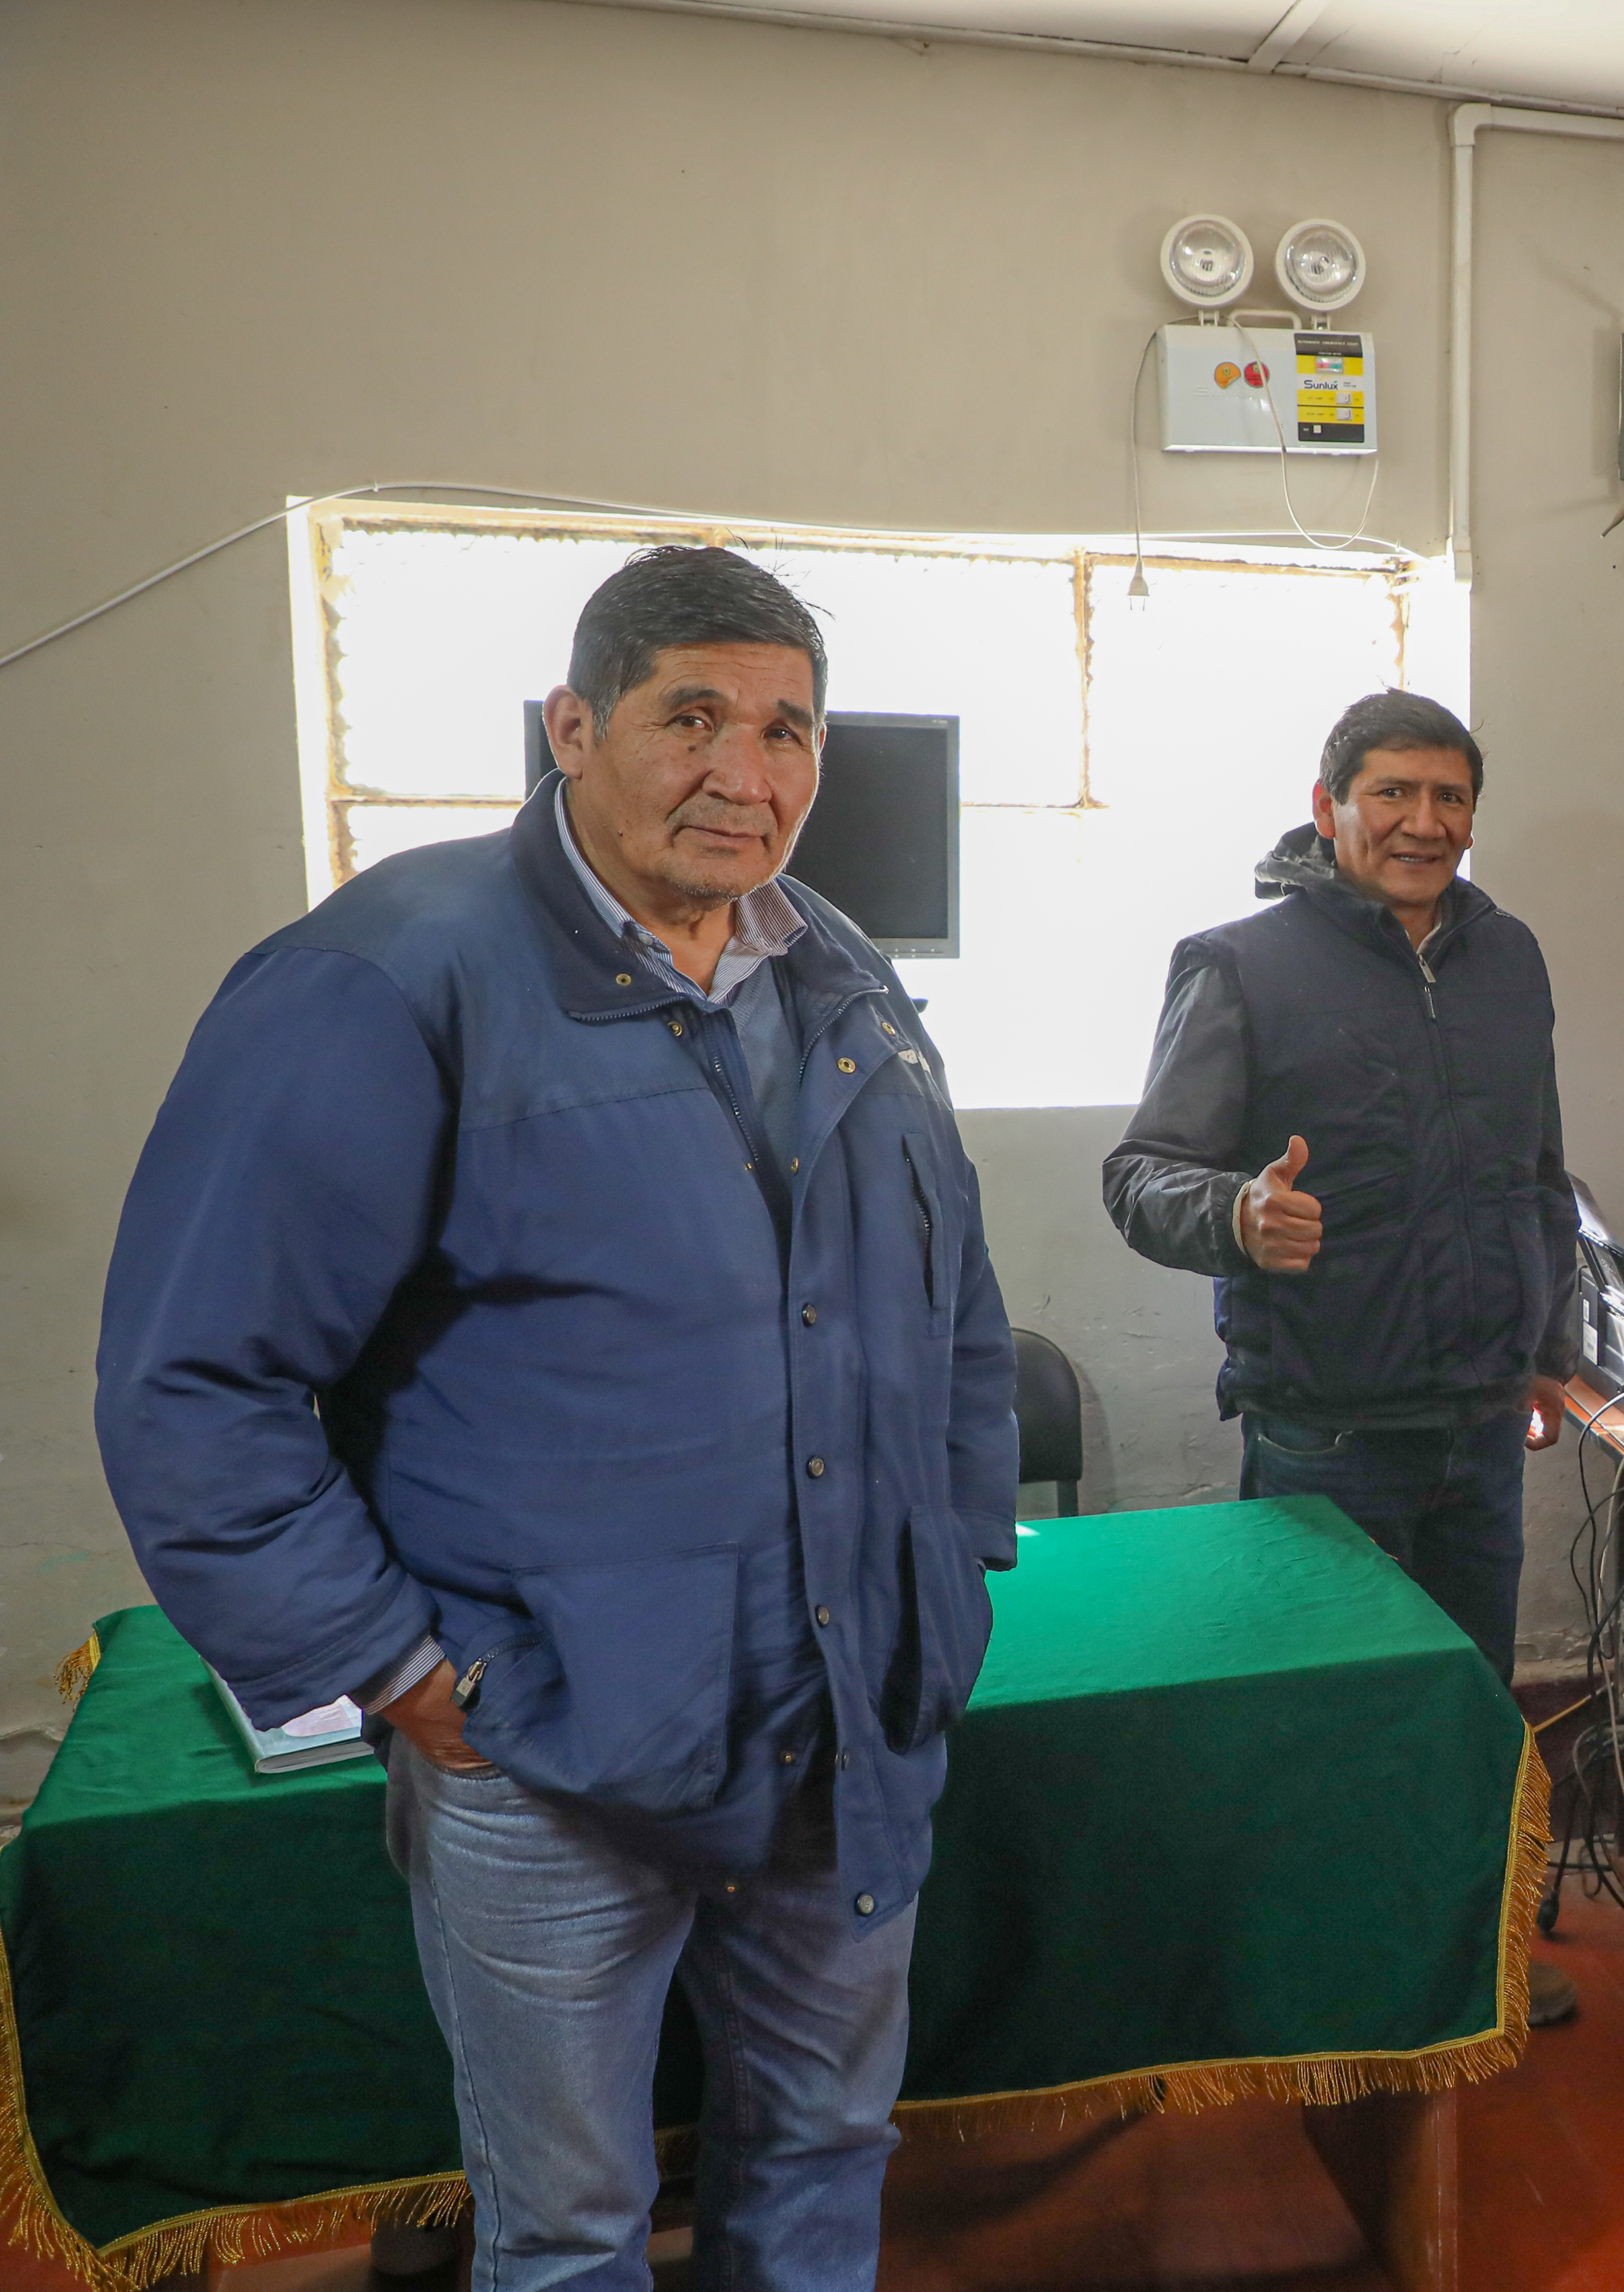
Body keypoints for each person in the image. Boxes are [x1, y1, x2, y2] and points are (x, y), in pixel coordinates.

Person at [95, 545, 1017, 2287]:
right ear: (571, 725)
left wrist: (948, 1569)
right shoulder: (389, 977)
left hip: (841, 1721)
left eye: (789, 730)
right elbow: (193, 1377)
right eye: (693, 718)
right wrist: (402, 1669)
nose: (746, 775)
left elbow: (949, 1308)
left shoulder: (840, 980)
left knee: (824, 2150)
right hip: (545, 1754)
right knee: (573, 2225)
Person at [1102, 689, 1584, 2025]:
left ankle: (1466, 1966)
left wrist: (1548, 1347)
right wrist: (1240, 1216)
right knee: (1322, 1721)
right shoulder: (1242, 965)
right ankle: (1320, 1985)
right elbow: (1141, 1177)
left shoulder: (1513, 960)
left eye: (1448, 799)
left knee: (1465, 1712)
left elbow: (1537, 1171)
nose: (1423, 823)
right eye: (1393, 795)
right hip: (1325, 1425)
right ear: (1331, 812)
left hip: (1482, 1420)